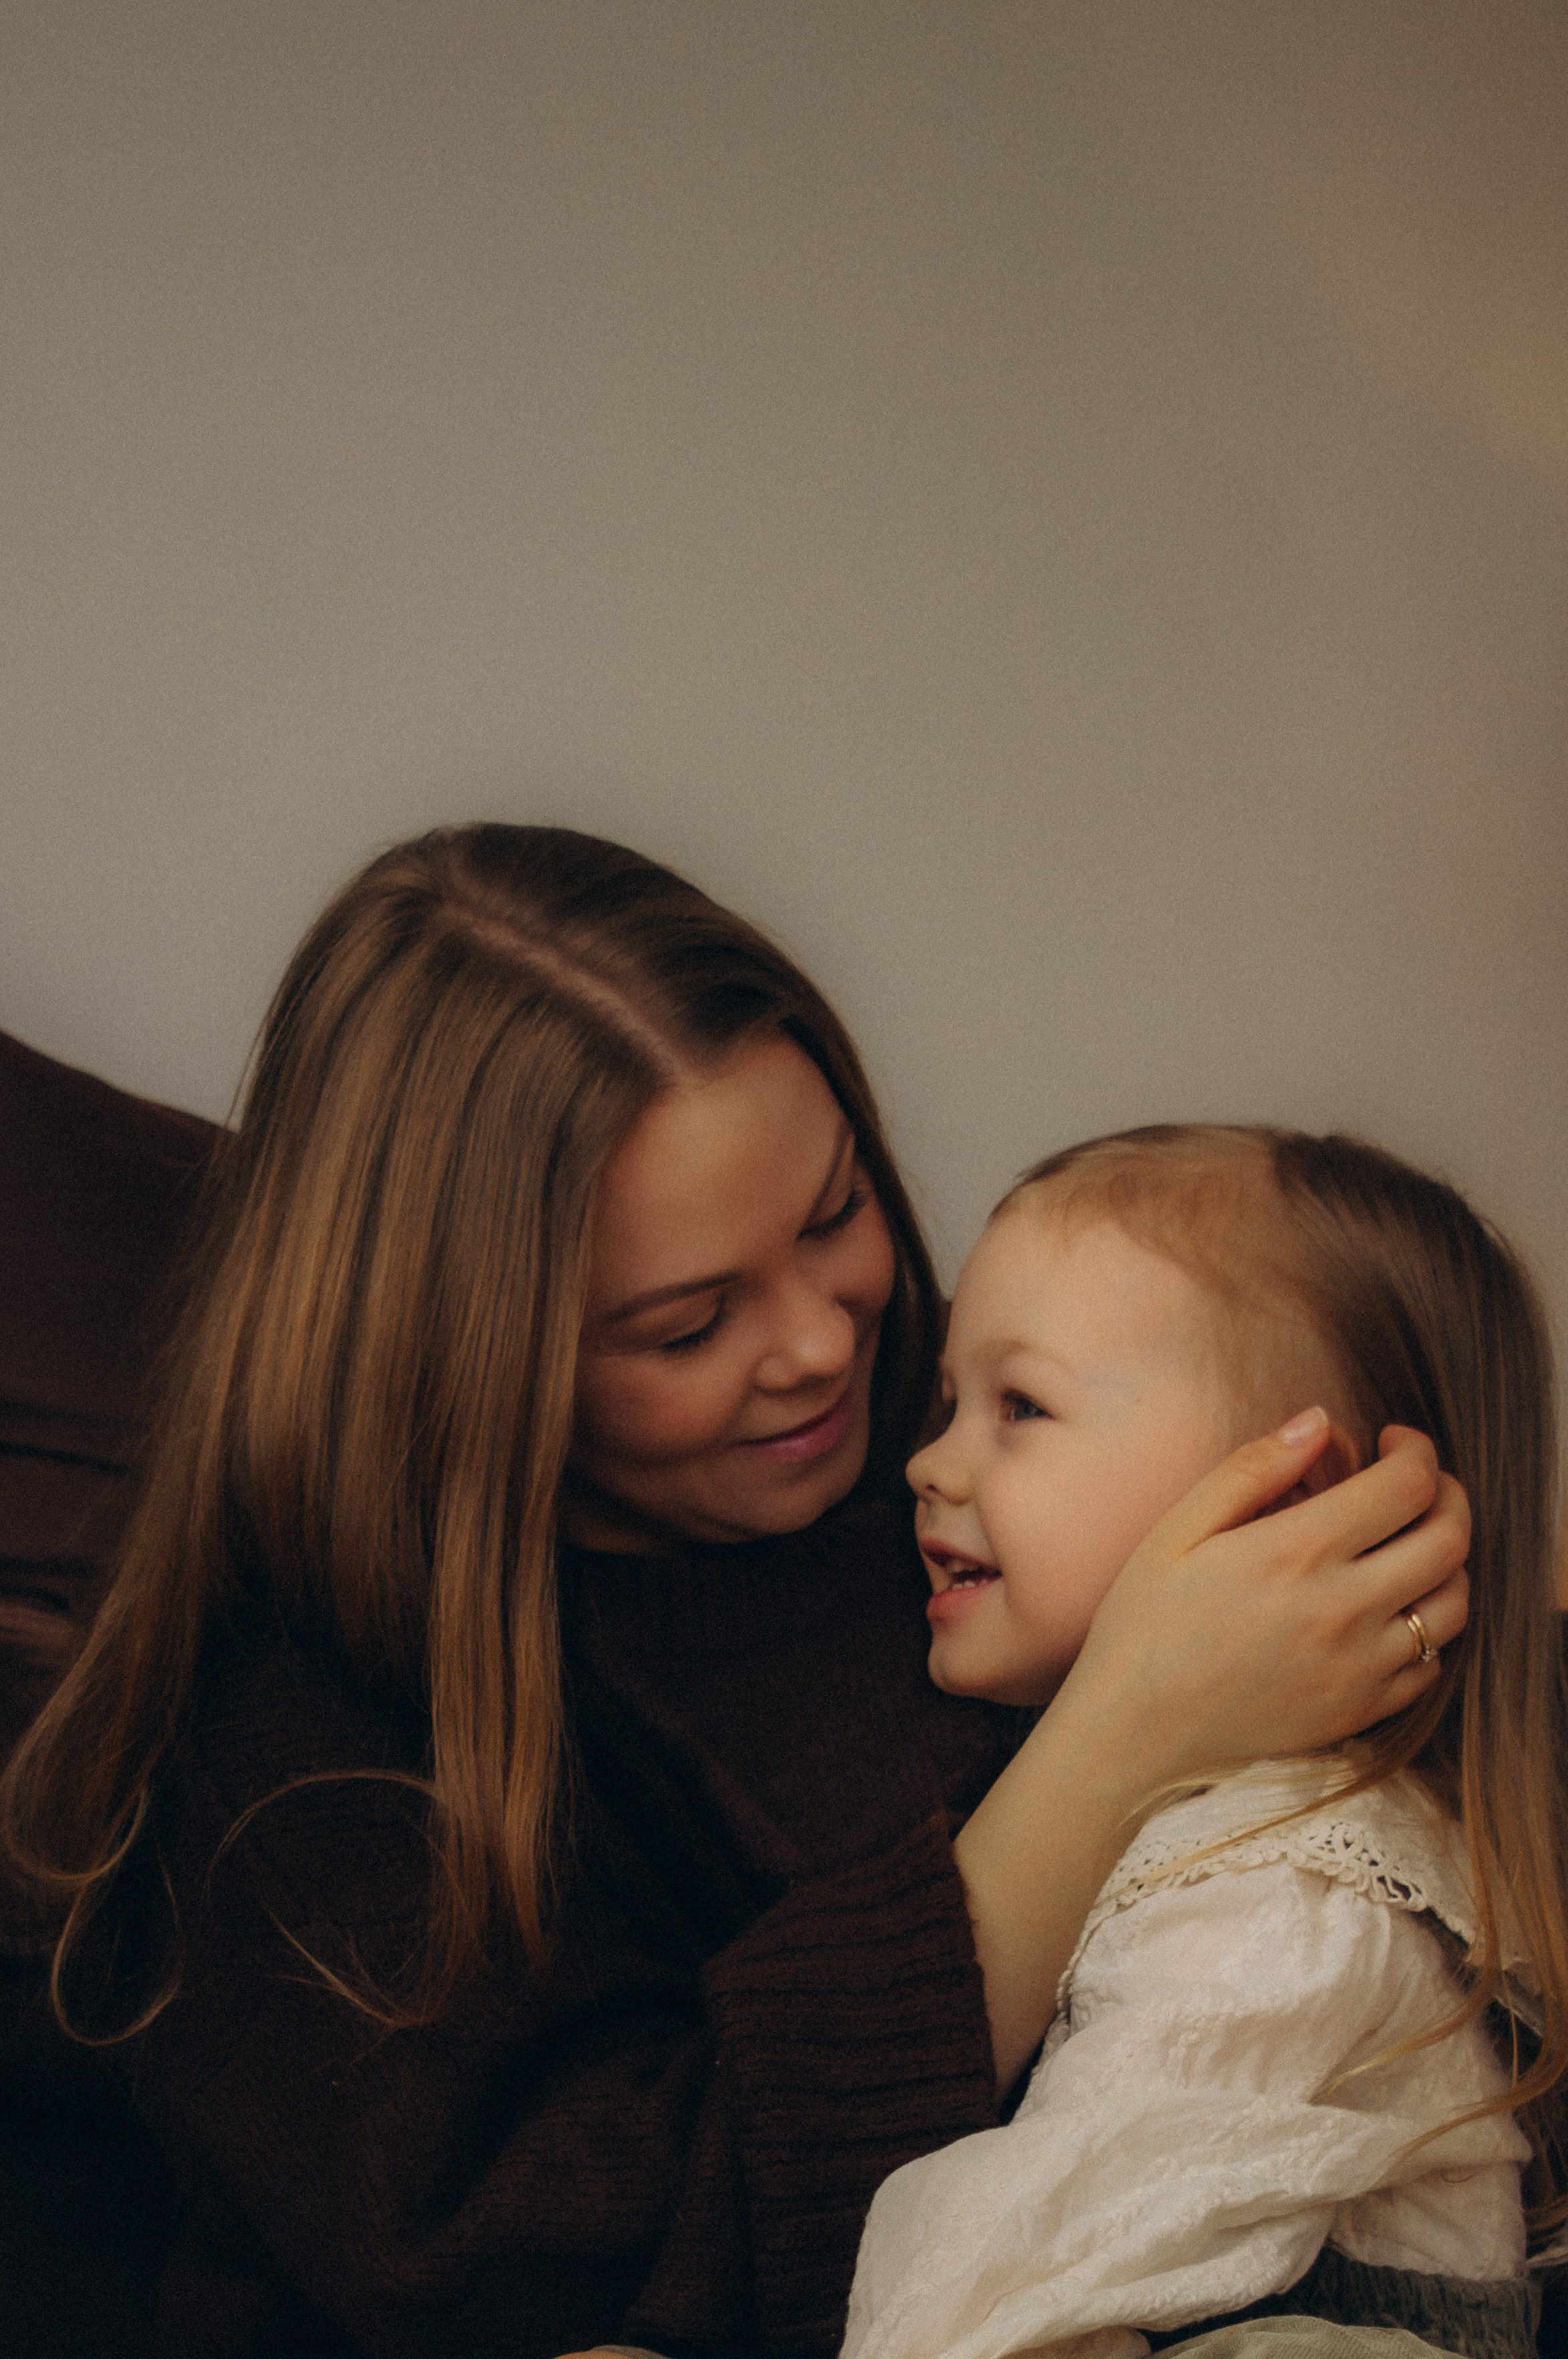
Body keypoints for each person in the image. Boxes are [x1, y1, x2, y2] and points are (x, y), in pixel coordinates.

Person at [0, 828, 1470, 2359]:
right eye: (690, 1324)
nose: (822, 1346)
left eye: (836, 1214)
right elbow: (567, 2259)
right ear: (469, 1369)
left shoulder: (953, 1427)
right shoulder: (287, 1735)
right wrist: (1123, 1737)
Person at [842, 1125, 1562, 2359]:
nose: (930, 1461)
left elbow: (993, 2302)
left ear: (1295, 1508)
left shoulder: (1279, 1898)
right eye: (950, 1401)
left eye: (1021, 1405)